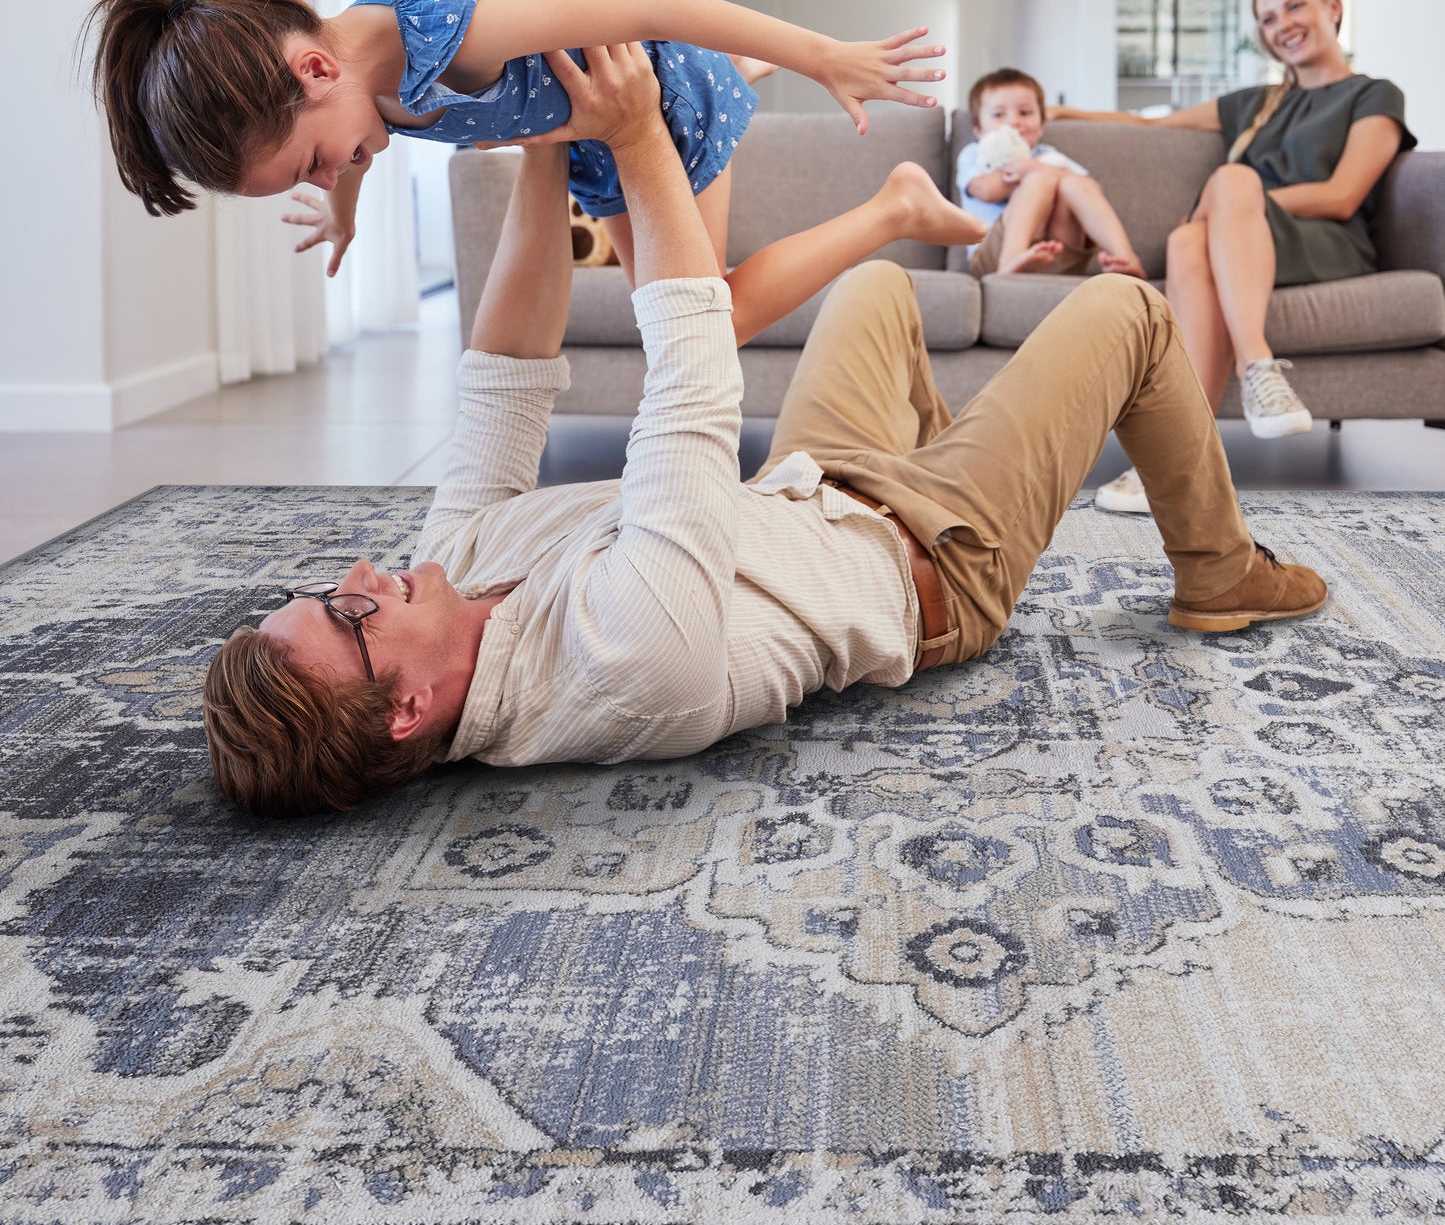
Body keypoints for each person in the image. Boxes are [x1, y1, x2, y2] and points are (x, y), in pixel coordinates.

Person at [202, 42, 1328, 819]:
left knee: (875, 294)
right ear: (407, 709)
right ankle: (1219, 570)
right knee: (1128, 311)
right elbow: (690, 385)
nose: (361, 571)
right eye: (349, 611)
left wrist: (547, 140)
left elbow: (501, 382)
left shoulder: (441, 580)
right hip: (931, 561)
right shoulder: (624, 661)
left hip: (813, 486)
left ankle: (962, 448)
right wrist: (637, 142)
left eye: (330, 585)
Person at [86, 0, 944, 335]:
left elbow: (657, 8)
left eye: (316, 164)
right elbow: (359, 132)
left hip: (658, 108)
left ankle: (893, 203)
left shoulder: (454, 31)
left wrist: (824, 55)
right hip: (587, 141)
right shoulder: (353, 83)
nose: (338, 169)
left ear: (313, 70)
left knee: (701, 323)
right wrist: (342, 211)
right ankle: (737, 77)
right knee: (679, 314)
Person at [1050, 0, 1415, 515]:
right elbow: (1150, 126)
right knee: (1185, 243)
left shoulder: (1374, 94)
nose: (1282, 25)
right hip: (1239, 242)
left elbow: (1343, 194)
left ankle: (1256, 365)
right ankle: (1177, 456)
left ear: (1332, 9)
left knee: (1231, 182)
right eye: (1268, 19)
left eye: (1295, 7)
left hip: (1325, 242)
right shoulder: (1255, 102)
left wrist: (1234, 204)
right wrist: (1062, 113)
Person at [956, 67, 1146, 279]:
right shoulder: (973, 154)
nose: (1014, 121)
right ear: (978, 129)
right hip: (994, 256)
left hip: (1059, 254)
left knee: (1071, 183)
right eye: (999, 115)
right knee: (1040, 178)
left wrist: (1041, 168)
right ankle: (1012, 256)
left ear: (1041, 124)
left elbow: (1090, 190)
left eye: (1025, 113)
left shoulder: (1047, 155)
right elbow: (984, 190)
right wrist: (1025, 171)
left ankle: (1125, 255)